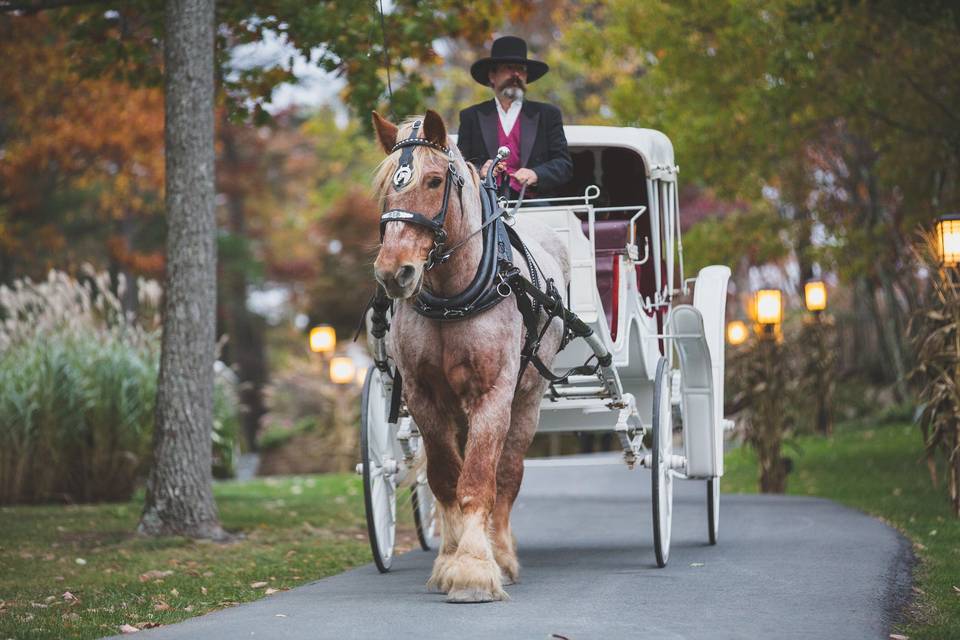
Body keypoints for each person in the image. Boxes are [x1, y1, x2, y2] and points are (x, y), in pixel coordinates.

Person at [457, 36, 573, 200]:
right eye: (509, 68)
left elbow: (564, 165)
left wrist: (536, 174)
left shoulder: (548, 115)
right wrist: (480, 171)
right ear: (492, 75)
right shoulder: (471, 116)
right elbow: (459, 165)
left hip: (535, 206)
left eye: (521, 69)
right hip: (486, 206)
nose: (516, 74)